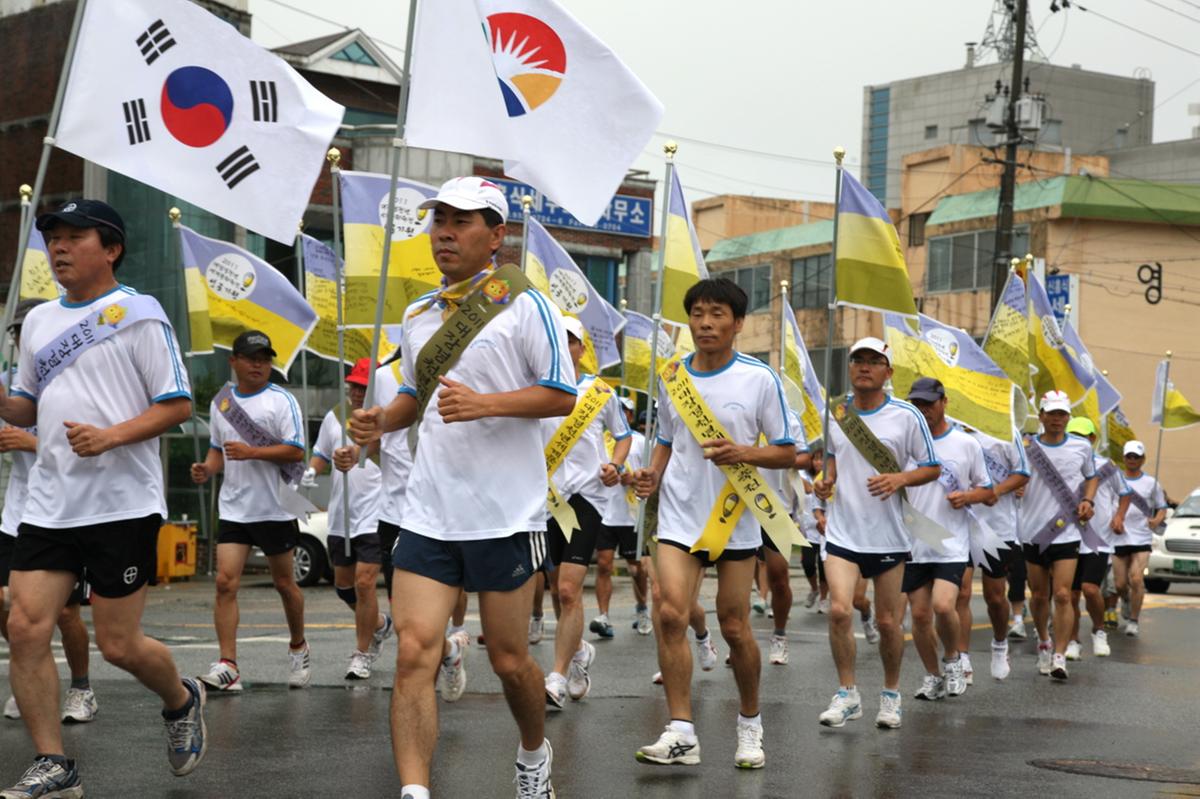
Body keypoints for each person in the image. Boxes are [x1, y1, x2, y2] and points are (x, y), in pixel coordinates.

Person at [349, 176, 574, 799]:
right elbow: (414, 399)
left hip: (505, 513)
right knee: (414, 652)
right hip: (427, 512)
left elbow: (561, 392)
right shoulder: (418, 314)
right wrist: (380, 420)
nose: (444, 231)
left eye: (461, 220)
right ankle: (415, 791)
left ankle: (533, 753)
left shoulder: (526, 303)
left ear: (497, 235)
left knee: (508, 660)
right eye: (437, 219)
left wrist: (488, 404)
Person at [0, 199, 206, 796]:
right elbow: (26, 405)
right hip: (49, 503)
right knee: (26, 625)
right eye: (52, 239)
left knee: (118, 645)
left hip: (121, 502)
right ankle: (54, 765)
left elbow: (178, 403)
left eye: (73, 237)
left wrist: (110, 436)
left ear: (110, 248)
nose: (58, 248)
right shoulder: (38, 321)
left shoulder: (139, 314)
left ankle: (181, 697)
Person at [632, 277, 795, 770]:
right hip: (680, 515)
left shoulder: (759, 378)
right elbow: (666, 437)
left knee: (734, 625)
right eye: (698, 313)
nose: (706, 322)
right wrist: (651, 475)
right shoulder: (672, 375)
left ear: (738, 323)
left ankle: (749, 724)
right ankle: (681, 730)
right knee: (669, 613)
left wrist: (744, 452)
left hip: (735, 518)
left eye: (718, 314)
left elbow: (788, 452)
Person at [813, 338, 940, 730]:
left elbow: (931, 467)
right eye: (858, 361)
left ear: (889, 372)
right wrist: (825, 479)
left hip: (888, 535)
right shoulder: (836, 411)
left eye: (874, 361)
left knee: (887, 623)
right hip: (843, 531)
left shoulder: (906, 416)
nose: (864, 367)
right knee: (838, 609)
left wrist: (900, 477)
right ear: (850, 368)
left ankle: (890, 694)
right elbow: (831, 455)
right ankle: (848, 693)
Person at [191, 330, 309, 692]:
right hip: (234, 507)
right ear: (234, 361)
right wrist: (208, 468)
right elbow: (217, 449)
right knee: (226, 583)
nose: (259, 364)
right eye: (251, 357)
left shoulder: (282, 400)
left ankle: (298, 646)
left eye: (265, 358)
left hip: (274, 507)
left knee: (285, 584)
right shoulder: (222, 403)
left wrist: (253, 452)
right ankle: (229, 665)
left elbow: (296, 451)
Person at [0, 299, 99, 726]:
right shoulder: (8, 387)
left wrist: (31, 443)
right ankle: (35, 677)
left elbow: (89, 452)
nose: (25, 337)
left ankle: (82, 688)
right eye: (18, 331)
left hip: (67, 513)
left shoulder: (74, 382)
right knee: (6, 607)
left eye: (31, 329)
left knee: (64, 612)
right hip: (17, 514)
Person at [541, 315, 631, 711]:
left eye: (571, 340)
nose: (565, 346)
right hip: (547, 498)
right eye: (556, 340)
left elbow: (624, 436)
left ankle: (557, 675)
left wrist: (617, 465)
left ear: (581, 348)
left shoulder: (598, 392)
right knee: (556, 587)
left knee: (567, 590)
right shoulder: (536, 389)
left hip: (588, 496)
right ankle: (578, 652)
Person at [901, 379, 995, 701]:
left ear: (944, 402)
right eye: (917, 404)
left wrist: (967, 496)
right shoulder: (905, 444)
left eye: (929, 403)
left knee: (944, 605)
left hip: (951, 542)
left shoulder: (965, 445)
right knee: (920, 616)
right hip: (916, 541)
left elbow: (989, 491)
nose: (923, 409)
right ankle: (932, 676)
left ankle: (953, 659)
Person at [302, 357, 393, 681]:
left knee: (365, 583)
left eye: (364, 387)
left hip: (375, 513)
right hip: (342, 516)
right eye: (354, 385)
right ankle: (380, 624)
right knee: (344, 588)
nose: (357, 392)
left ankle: (361, 653)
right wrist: (313, 469)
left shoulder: (388, 418)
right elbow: (322, 453)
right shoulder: (334, 417)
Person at [1019, 390, 1099, 681]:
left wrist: (1088, 501)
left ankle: (1060, 656)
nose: (1057, 419)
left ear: (1068, 417)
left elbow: (1092, 477)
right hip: (1033, 530)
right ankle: (1043, 639)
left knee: (1064, 595)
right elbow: (1015, 477)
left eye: (1062, 414)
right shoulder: (1027, 447)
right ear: (1041, 416)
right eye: (1051, 413)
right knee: (1040, 596)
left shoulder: (1081, 447)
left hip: (1066, 531)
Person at [962, 426, 1030, 680]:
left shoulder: (1004, 429)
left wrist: (996, 491)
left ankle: (1000, 645)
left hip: (995, 529)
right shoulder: (950, 430)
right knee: (961, 592)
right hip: (961, 524)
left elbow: (1022, 473)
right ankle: (962, 658)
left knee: (995, 597)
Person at [1062, 418, 1130, 660]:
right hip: (1068, 536)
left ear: (1092, 439)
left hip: (1097, 538)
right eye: (1074, 435)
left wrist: (1119, 517)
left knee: (1091, 590)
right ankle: (1073, 641)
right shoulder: (1064, 463)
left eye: (1083, 436)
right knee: (1070, 595)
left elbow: (1125, 494)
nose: (1079, 440)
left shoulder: (1106, 466)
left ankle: (1098, 631)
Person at [593, 396, 650, 638]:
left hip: (632, 514)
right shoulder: (600, 440)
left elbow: (651, 474)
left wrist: (633, 478)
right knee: (604, 565)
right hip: (605, 512)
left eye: (624, 410)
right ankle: (603, 615)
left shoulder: (641, 442)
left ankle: (642, 608)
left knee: (636, 569)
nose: (620, 412)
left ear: (629, 415)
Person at [1112, 440, 1167, 638]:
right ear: (1124, 458)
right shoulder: (1116, 479)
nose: (1132, 460)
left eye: (1136, 457)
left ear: (1143, 459)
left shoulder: (1151, 483)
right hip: (1119, 536)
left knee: (1136, 578)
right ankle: (1126, 600)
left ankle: (1134, 620)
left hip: (1142, 536)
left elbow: (1162, 506)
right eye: (1129, 456)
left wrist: (1156, 519)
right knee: (1119, 584)